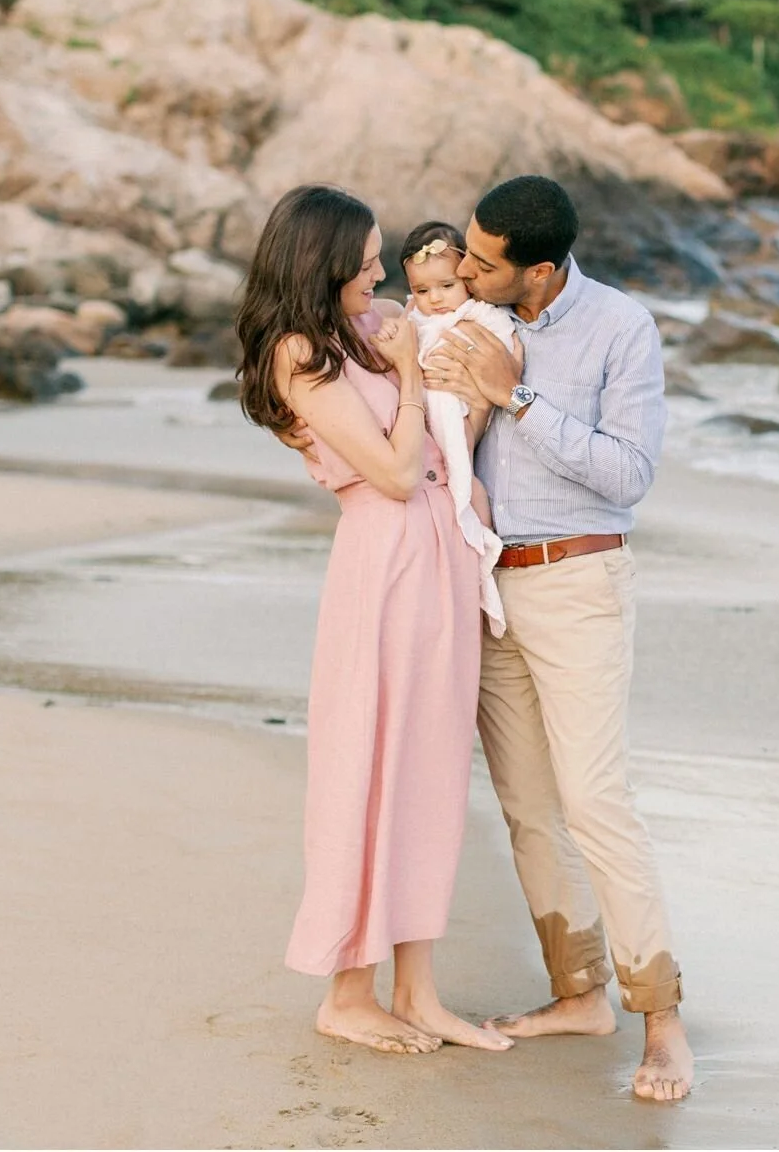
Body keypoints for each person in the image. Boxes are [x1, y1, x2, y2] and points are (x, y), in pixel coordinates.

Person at [423, 175, 694, 1102]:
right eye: (463, 248)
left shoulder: (622, 329)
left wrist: (520, 400)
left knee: (595, 801)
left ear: (539, 271)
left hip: (580, 581)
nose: (461, 267)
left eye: (482, 260)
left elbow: (629, 475)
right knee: (530, 807)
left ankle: (661, 1020)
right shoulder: (469, 315)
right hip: (490, 587)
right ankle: (577, 993)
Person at [233, 184, 512, 1057]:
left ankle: (418, 990)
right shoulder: (296, 354)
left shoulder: (369, 323)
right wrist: (403, 377)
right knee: (370, 765)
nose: (379, 271)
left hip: (440, 557)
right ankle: (347, 990)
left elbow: (451, 334)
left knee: (430, 769)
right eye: (362, 261)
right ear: (321, 263)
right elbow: (391, 474)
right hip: (385, 561)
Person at [398, 221, 518, 638]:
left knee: (466, 483)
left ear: (465, 276)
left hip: (457, 407)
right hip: (427, 408)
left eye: (446, 286)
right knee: (443, 483)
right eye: (422, 291)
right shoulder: (412, 318)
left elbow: (510, 348)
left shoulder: (478, 314)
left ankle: (483, 560)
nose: (435, 299)